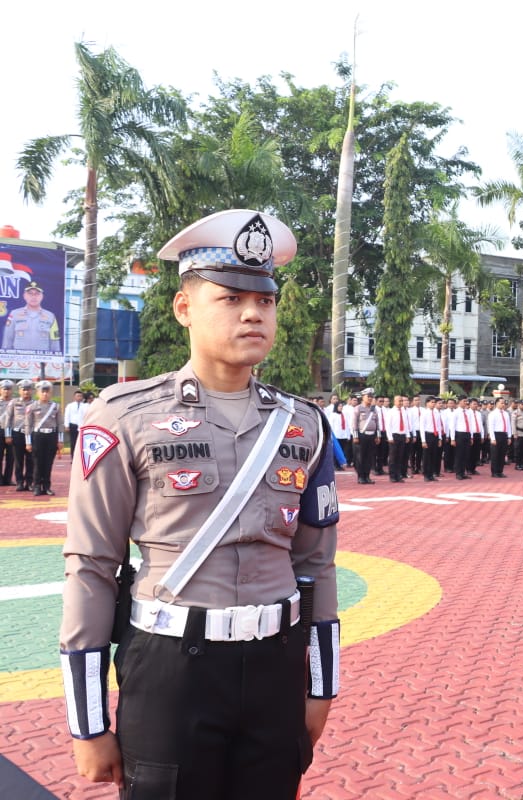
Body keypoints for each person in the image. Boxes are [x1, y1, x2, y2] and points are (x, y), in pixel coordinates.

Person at [58, 209, 340, 799]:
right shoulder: (123, 415)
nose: (252, 313)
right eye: (230, 297)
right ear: (184, 307)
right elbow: (90, 565)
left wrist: (321, 686)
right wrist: (87, 723)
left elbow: (316, 565)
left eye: (265, 301)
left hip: (274, 667)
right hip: (170, 670)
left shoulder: (304, 424)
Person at [2, 281, 61, 353]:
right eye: (30, 293)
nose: (33, 297)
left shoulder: (50, 316)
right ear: (24, 296)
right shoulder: (14, 314)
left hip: (42, 361)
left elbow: (55, 342)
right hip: (19, 360)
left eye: (37, 294)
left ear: (42, 296)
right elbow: (7, 339)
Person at [24, 379, 60, 496]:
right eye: (42, 392)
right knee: (37, 462)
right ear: (37, 393)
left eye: (47, 392)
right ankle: (37, 486)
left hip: (51, 436)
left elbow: (60, 424)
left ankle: (47, 486)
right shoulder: (32, 406)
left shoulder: (55, 406)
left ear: (50, 393)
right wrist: (28, 442)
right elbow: (28, 425)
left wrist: (60, 440)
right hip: (38, 436)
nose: (45, 394)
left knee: (48, 463)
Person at [4, 378, 34, 490]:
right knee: (18, 460)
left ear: (32, 391)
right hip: (17, 434)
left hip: (31, 435)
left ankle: (29, 482)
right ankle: (20, 482)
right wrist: (8, 434)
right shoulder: (14, 402)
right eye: (23, 389)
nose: (26, 392)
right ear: (19, 391)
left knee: (31, 460)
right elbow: (8, 418)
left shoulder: (34, 404)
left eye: (28, 389)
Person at [353, 388, 381, 485]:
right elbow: (354, 424)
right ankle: (361, 477)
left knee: (369, 457)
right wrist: (355, 436)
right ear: (363, 397)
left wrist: (378, 435)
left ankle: (367, 476)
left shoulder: (374, 409)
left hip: (372, 435)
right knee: (361, 457)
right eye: (368, 396)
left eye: (371, 396)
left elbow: (377, 423)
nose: (370, 398)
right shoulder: (358, 408)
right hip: (361, 435)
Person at [488, 397, 511, 477]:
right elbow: (491, 427)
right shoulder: (492, 414)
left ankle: (500, 471)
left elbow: (508, 426)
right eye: (501, 403)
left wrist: (509, 437)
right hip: (496, 434)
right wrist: (493, 438)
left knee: (502, 454)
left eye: (504, 403)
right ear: (496, 403)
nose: (503, 404)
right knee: (495, 455)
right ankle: (494, 472)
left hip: (504, 434)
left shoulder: (506, 413)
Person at [64, 390, 88, 457]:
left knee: (81, 442)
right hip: (73, 425)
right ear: (74, 397)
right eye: (77, 396)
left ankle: (81, 458)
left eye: (80, 396)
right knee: (73, 442)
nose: (79, 397)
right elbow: (67, 415)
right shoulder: (70, 405)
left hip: (82, 426)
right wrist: (66, 425)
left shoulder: (86, 406)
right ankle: (73, 457)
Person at [0, 379, 14, 486]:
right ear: (0, 390)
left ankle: (8, 479)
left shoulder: (15, 403)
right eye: (4, 389)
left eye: (8, 389)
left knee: (11, 457)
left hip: (12, 432)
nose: (6, 391)